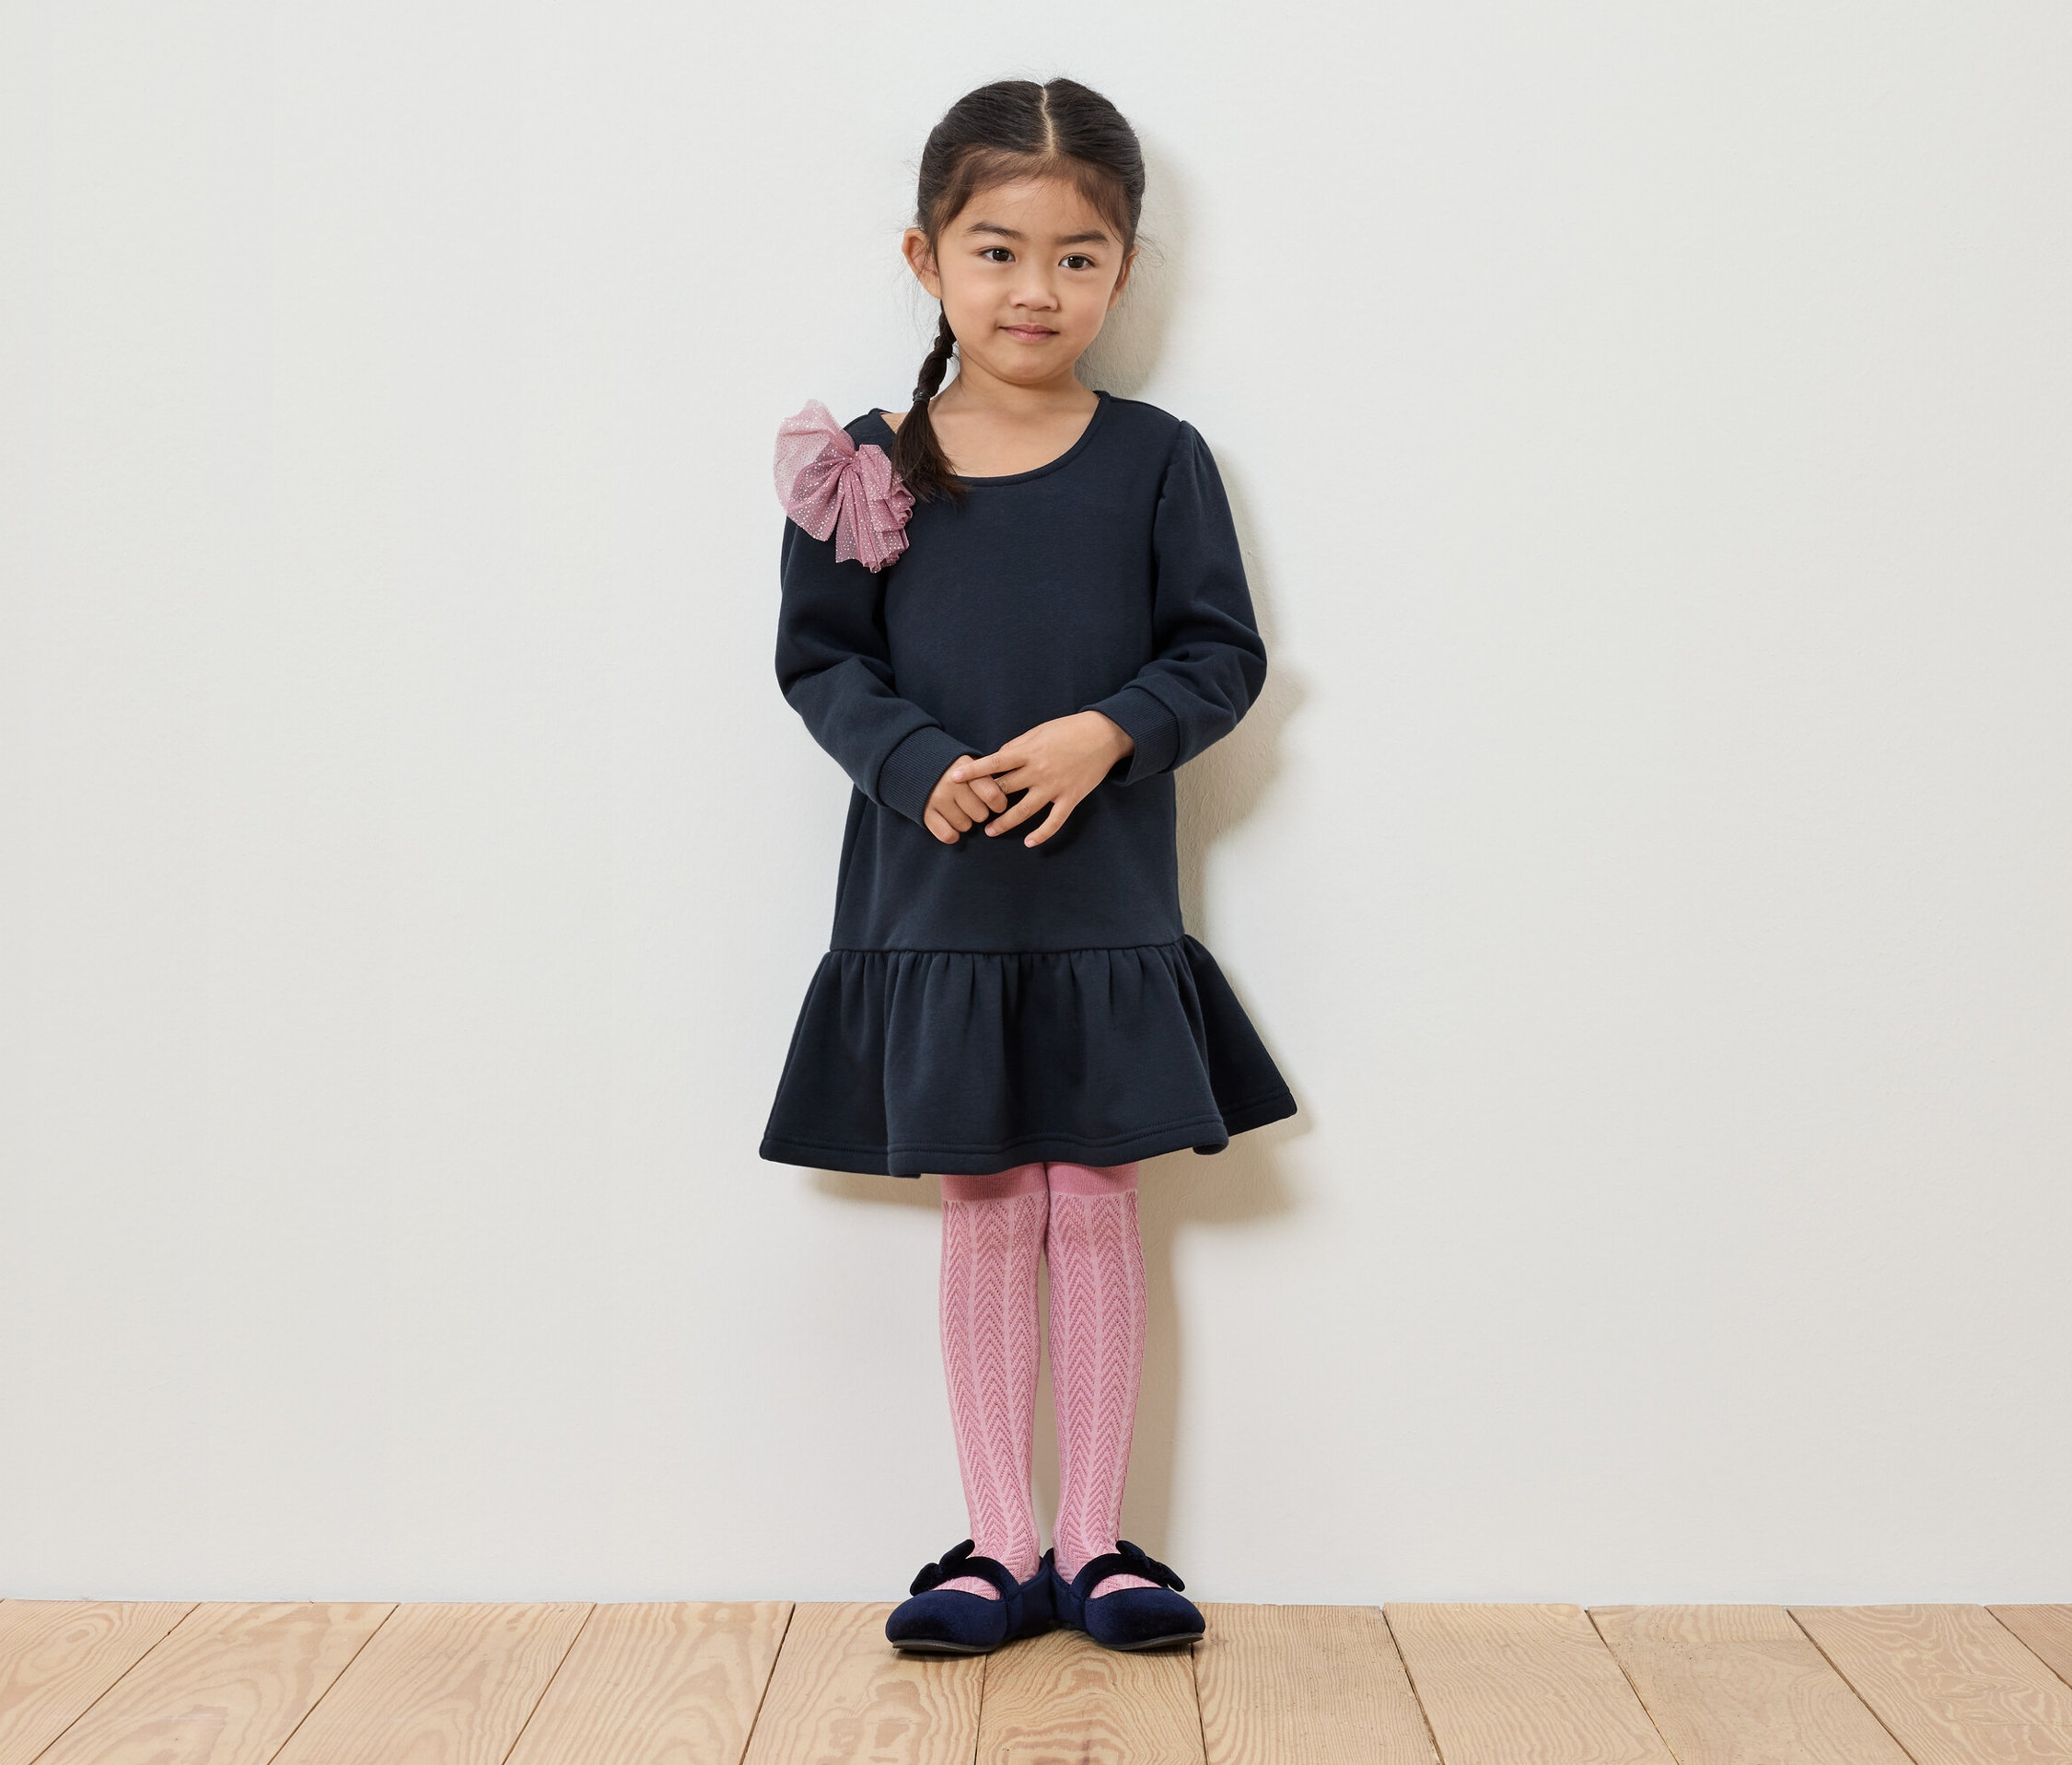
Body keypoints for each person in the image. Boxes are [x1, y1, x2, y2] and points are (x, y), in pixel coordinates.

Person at [761, 76, 1296, 1656]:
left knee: (1095, 1195)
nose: (1034, 289)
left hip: (1102, 904)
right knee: (987, 1199)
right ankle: (997, 1544)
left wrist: (1106, 734)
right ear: (925, 258)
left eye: (1077, 256)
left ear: (1123, 269)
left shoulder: (1157, 460)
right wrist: (914, 763)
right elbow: (819, 662)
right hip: (936, 906)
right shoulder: (863, 465)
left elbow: (1218, 653)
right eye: (997, 251)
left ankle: (1094, 1543)